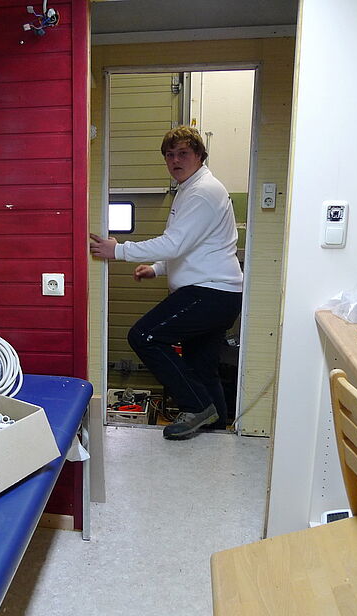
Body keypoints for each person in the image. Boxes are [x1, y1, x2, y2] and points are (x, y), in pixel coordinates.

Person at [90, 126, 243, 440]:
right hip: (216, 291)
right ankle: (215, 432)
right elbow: (190, 246)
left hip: (210, 292)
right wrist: (157, 269)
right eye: (170, 155)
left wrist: (117, 250)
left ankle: (197, 406)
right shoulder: (190, 189)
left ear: (199, 155)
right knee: (201, 367)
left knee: (144, 336)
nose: (175, 160)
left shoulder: (202, 192)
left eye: (183, 153)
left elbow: (174, 243)